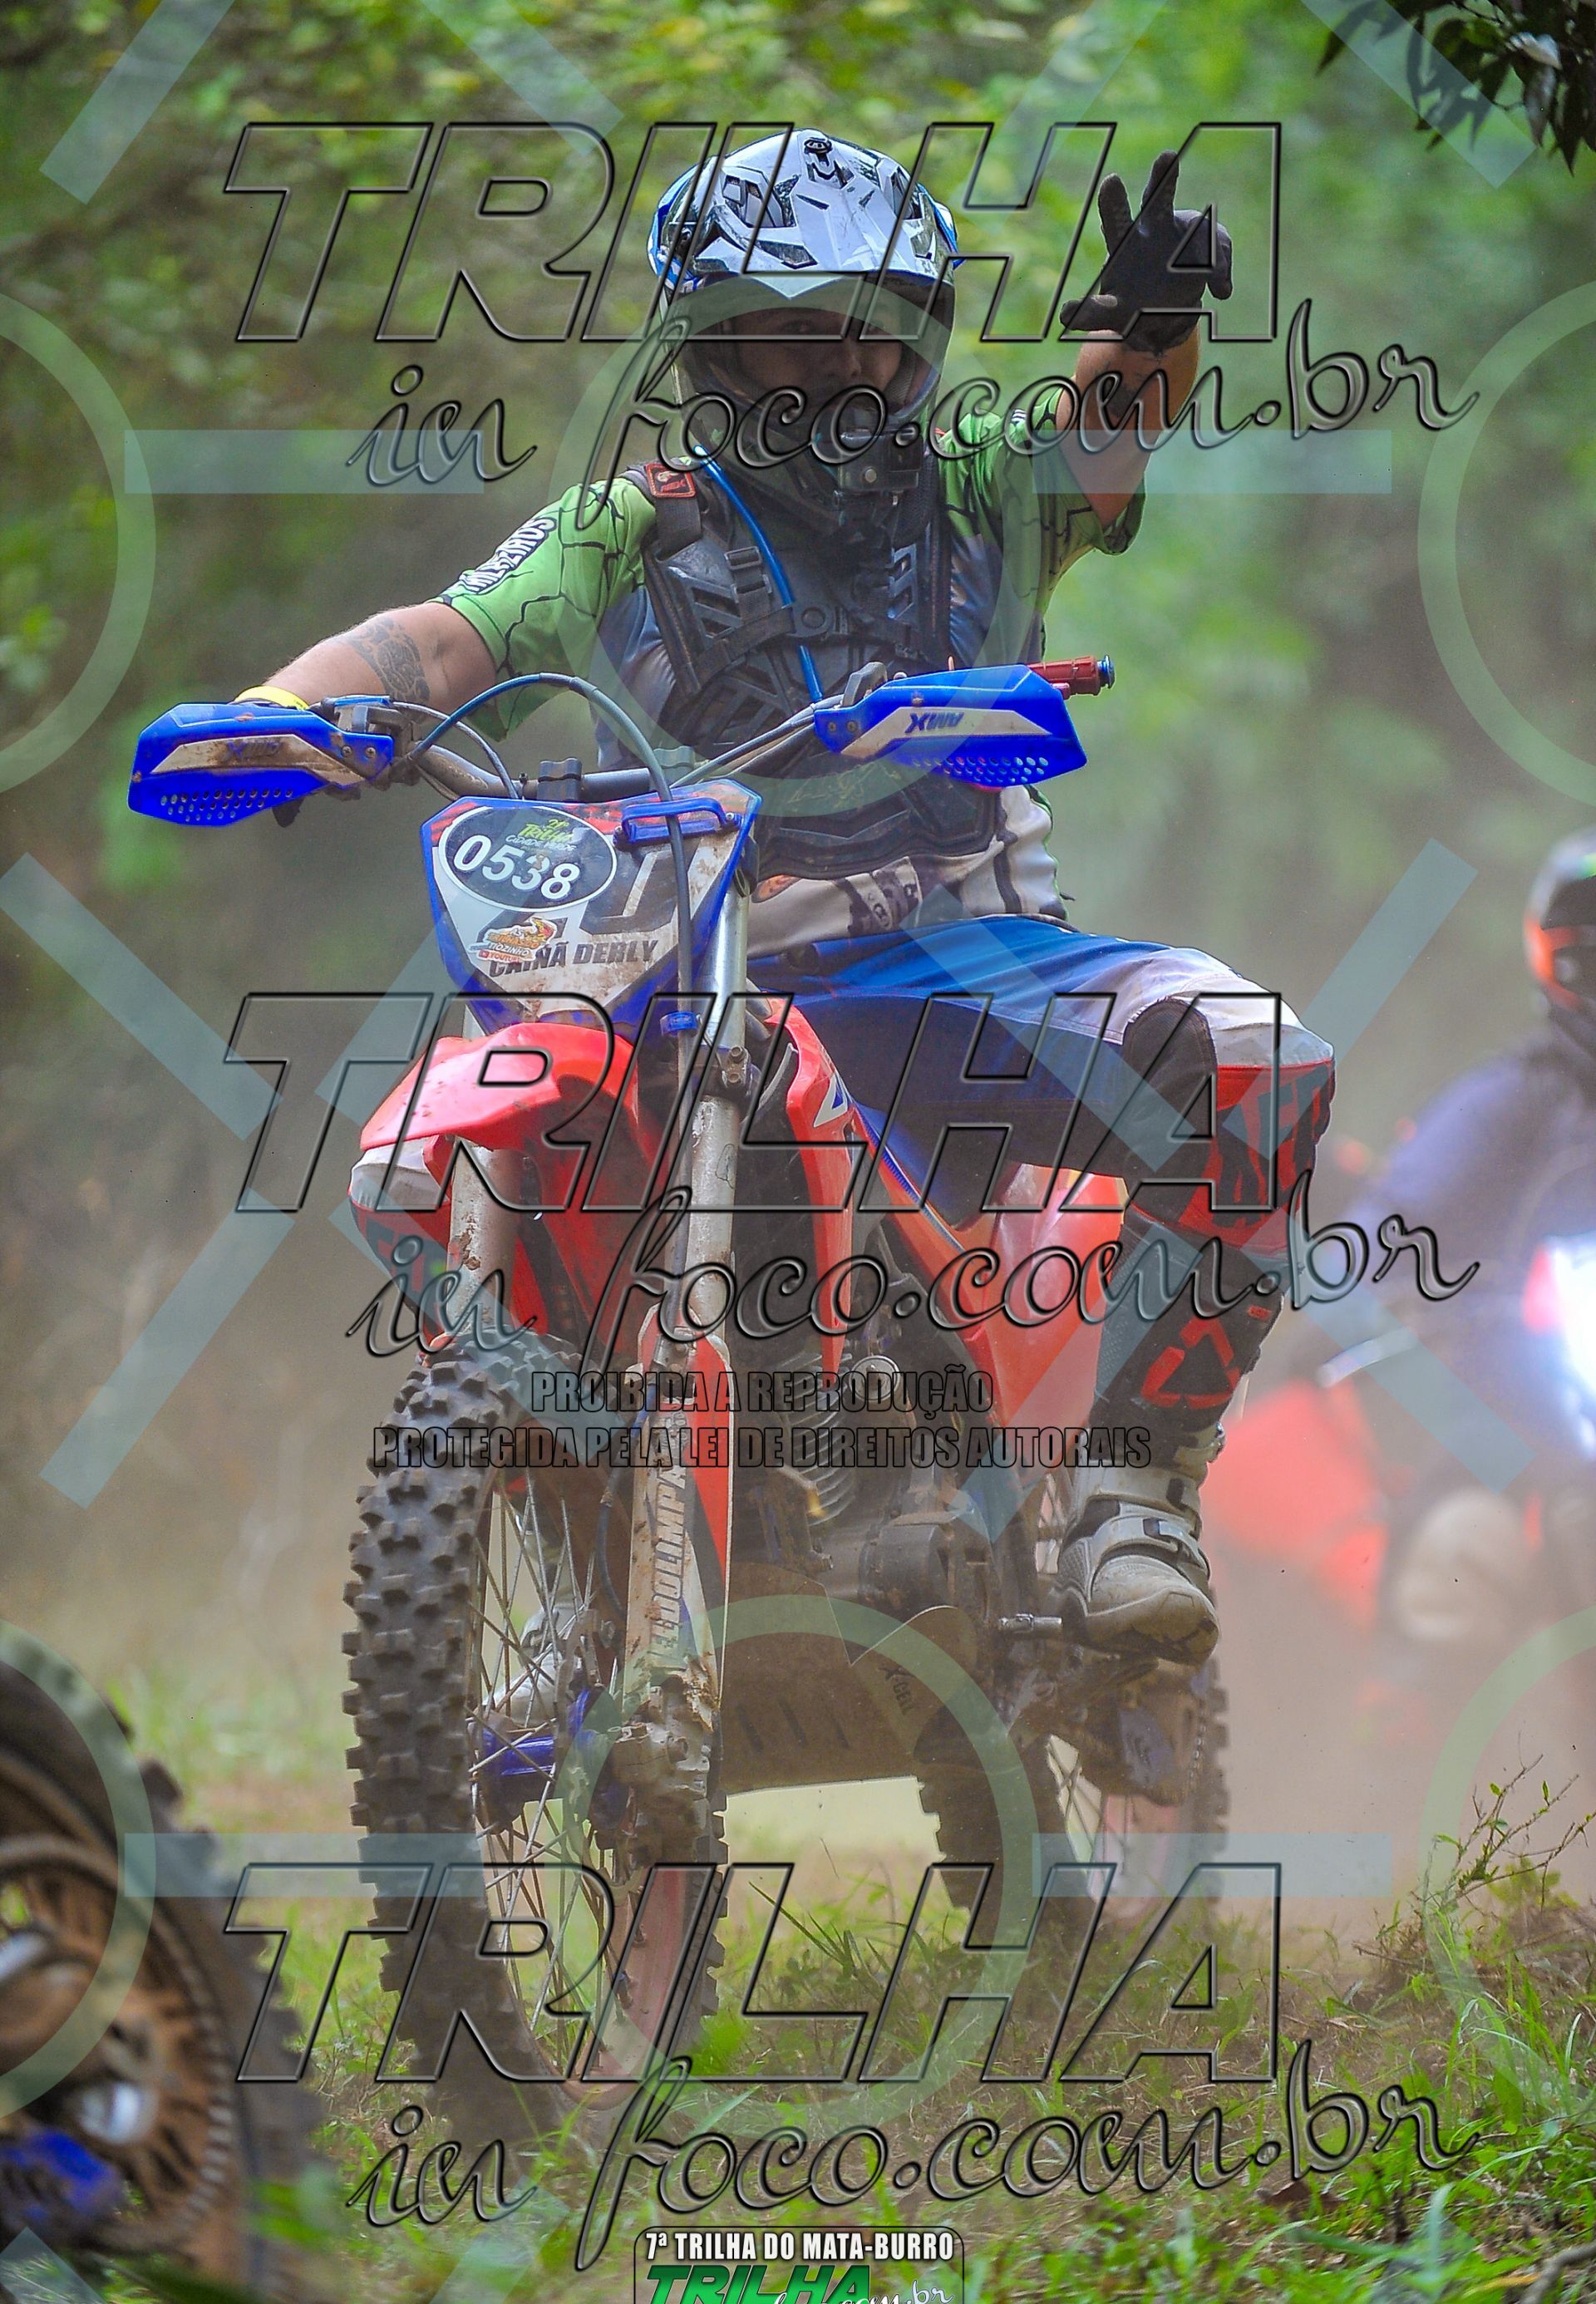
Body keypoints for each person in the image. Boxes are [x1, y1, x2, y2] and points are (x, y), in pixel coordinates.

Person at [239, 130, 1334, 1666]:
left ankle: (1132, 1493)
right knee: (475, 1114)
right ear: (711, 350)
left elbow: (1103, 438)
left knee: (1253, 1051)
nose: (840, 369)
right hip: (683, 978)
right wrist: (274, 713)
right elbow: (437, 640)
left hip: (955, 970)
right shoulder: (626, 529)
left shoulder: (978, 490)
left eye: (870, 333)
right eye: (791, 334)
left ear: (918, 339)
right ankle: (577, 1515)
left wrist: (1153, 326)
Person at [1348, 826, 1596, 1646]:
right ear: (1562, 964)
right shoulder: (1515, 1102)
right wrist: (1412, 1292)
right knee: (1462, 1557)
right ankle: (1409, 1721)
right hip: (1524, 1433)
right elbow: (1381, 1232)